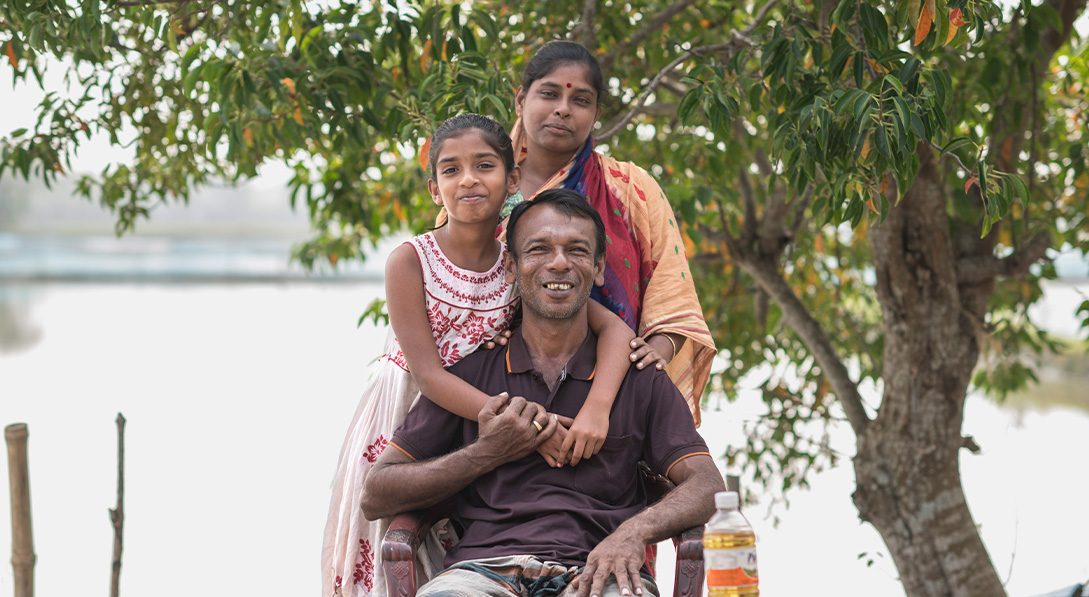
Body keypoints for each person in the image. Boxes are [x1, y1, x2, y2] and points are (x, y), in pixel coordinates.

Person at [322, 115, 659, 597]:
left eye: (484, 166)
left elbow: (615, 327)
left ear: (512, 180)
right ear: (435, 188)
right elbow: (430, 375)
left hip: (490, 403)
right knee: (391, 550)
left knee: (464, 543)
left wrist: (596, 409)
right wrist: (528, 427)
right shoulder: (411, 259)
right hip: (417, 406)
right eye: (451, 170)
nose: (469, 180)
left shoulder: (519, 260)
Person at [362, 189, 725, 597]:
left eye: (576, 250)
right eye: (538, 249)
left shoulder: (638, 376)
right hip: (480, 574)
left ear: (598, 266)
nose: (559, 263)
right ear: (512, 268)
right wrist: (487, 451)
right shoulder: (471, 374)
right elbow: (376, 495)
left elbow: (709, 484)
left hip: (600, 573)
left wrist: (635, 532)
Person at [510, 40, 717, 425]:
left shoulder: (629, 189)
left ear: (596, 113)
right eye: (549, 94)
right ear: (521, 99)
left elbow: (670, 296)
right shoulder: (484, 187)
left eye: (581, 100)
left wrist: (642, 374)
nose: (562, 109)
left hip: (614, 391)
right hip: (498, 388)